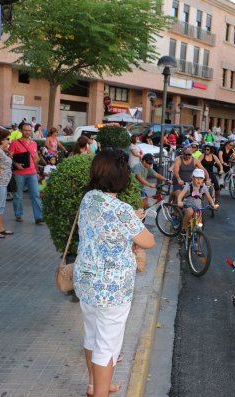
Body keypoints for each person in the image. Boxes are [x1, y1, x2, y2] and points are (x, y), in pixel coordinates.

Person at [74, 148, 155, 397]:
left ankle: (94, 385)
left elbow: (103, 233)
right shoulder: (121, 211)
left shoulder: (89, 198)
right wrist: (135, 220)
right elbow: (148, 240)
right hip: (111, 288)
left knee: (92, 335)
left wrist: (130, 223)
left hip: (85, 281)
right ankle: (101, 393)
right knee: (106, 346)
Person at [9, 122, 43, 224]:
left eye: (29, 130)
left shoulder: (34, 143)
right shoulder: (15, 143)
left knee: (36, 195)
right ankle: (18, 214)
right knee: (18, 195)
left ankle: (38, 217)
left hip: (32, 173)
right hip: (19, 173)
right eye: (25, 130)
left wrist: (37, 171)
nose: (27, 132)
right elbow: (9, 157)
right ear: (20, 130)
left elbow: (35, 158)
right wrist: (16, 164)